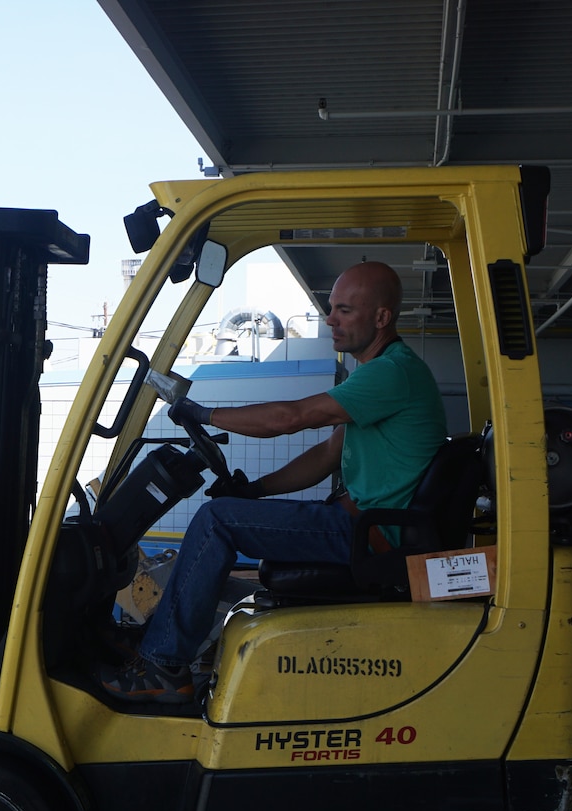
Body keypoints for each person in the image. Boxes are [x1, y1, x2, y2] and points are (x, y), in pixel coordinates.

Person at [100, 260, 448, 705]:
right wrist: (254, 491)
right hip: (357, 524)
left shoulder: (391, 372)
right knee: (226, 513)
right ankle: (155, 642)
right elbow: (325, 456)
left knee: (215, 521)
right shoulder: (376, 375)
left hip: (370, 535)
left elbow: (293, 418)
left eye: (345, 310)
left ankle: (164, 666)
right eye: (331, 308)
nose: (330, 320)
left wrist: (203, 414)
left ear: (381, 318)